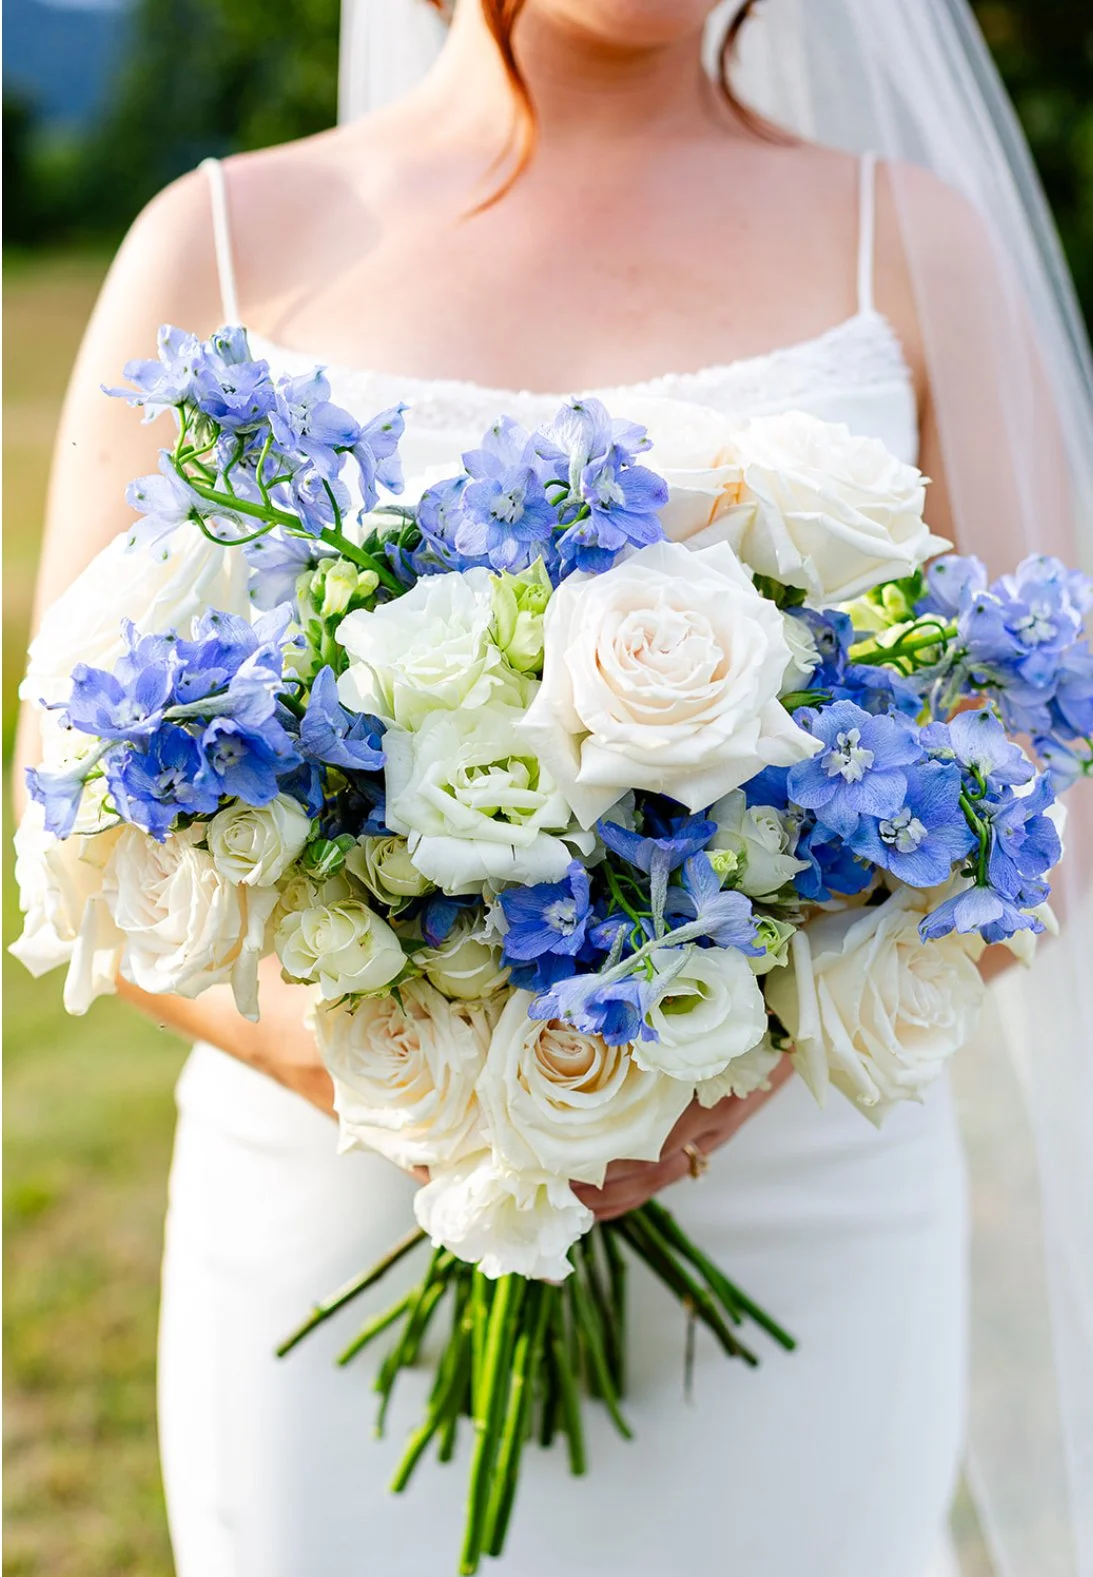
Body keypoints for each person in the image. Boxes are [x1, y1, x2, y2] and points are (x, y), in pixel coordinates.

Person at [15, 3, 1092, 1575]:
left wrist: (693, 1078)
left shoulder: (909, 241)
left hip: (798, 1229)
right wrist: (405, 1078)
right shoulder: (221, 242)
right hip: (329, 1217)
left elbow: (1042, 778)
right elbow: (65, 800)